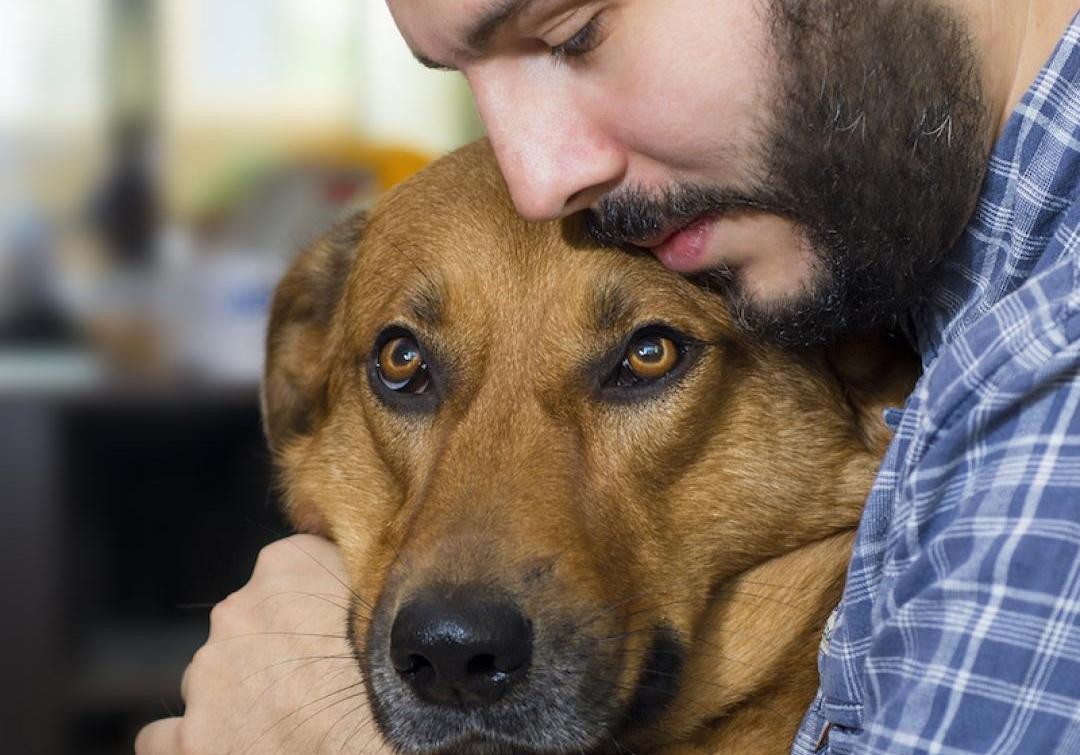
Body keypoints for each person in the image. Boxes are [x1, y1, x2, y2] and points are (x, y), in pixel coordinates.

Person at [137, 1, 1080, 752]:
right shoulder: (923, 266)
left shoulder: (1047, 369)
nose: (535, 177)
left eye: (574, 34)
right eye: (405, 365)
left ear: (865, 374)